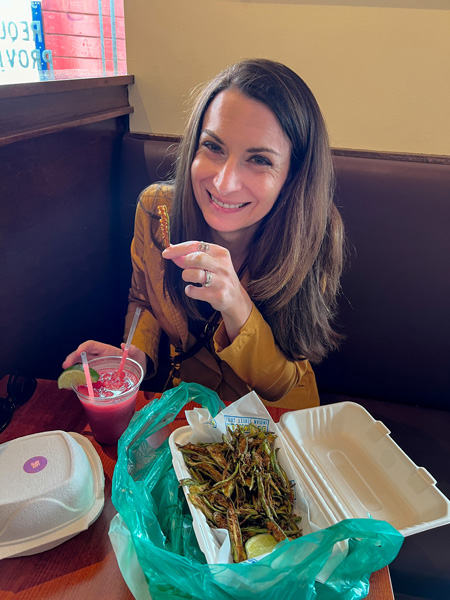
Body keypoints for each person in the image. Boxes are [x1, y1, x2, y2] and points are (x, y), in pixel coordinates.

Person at [63, 58, 344, 409]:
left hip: (276, 427)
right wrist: (134, 357)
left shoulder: (313, 236)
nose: (224, 183)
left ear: (292, 174)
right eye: (213, 147)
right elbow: (145, 300)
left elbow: (282, 385)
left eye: (259, 160)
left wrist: (236, 304)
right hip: (186, 418)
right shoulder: (156, 211)